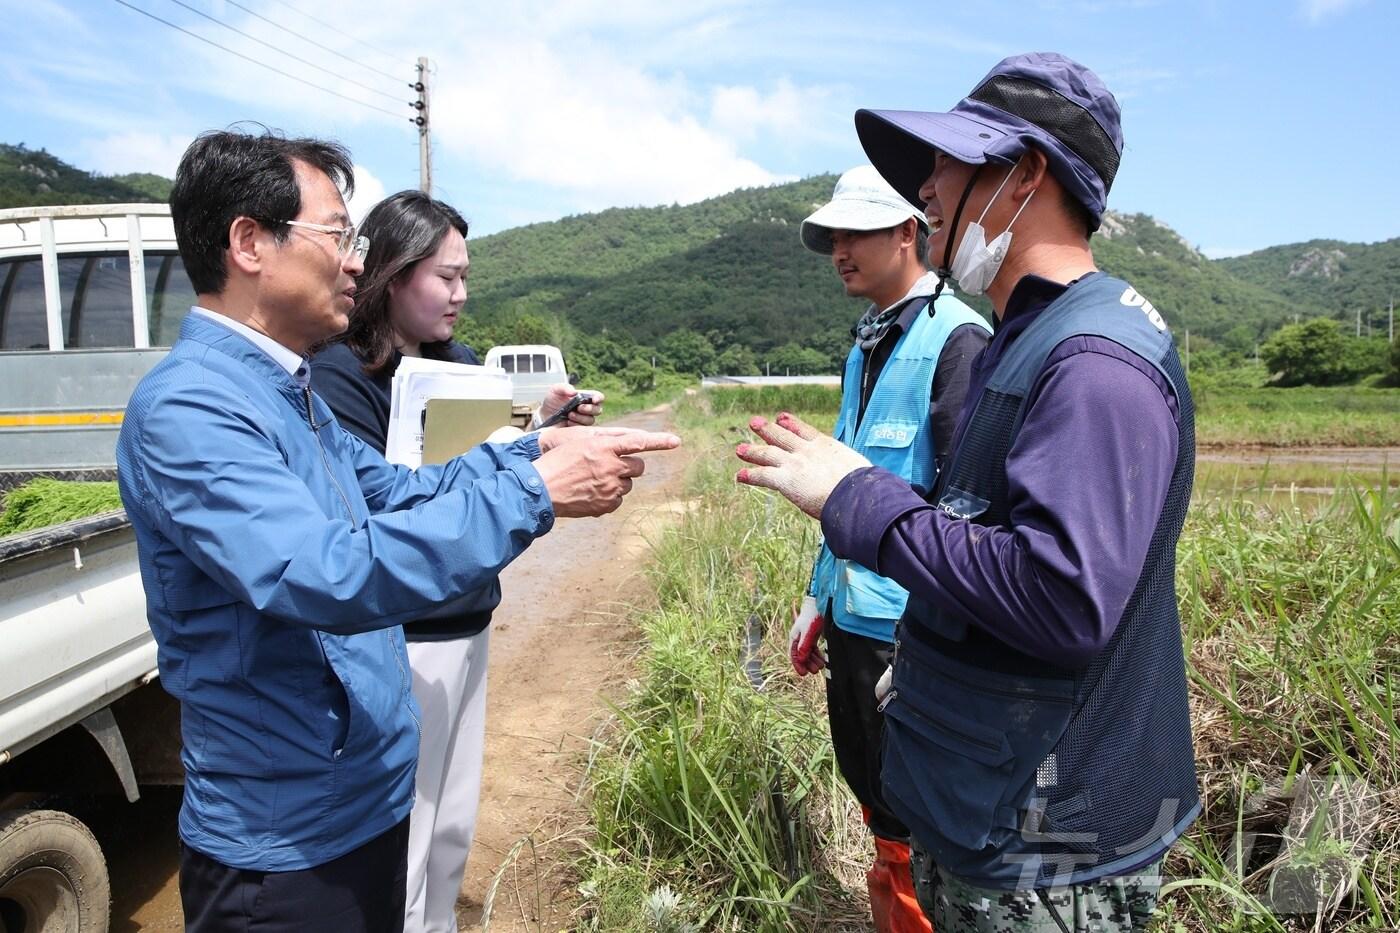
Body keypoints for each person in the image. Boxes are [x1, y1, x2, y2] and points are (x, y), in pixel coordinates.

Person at [116, 129, 678, 933]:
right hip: (288, 840)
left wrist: (535, 451)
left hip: (356, 805)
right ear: (249, 243)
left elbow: (396, 489)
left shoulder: (287, 391)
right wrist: (534, 492)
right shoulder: (193, 406)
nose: (355, 262)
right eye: (337, 235)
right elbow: (324, 572)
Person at [736, 52, 1197, 931]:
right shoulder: (1028, 337)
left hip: (1048, 849)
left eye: (950, 163)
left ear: (1025, 176)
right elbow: (974, 533)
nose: (927, 188)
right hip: (987, 801)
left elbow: (1062, 596)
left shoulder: (1094, 364)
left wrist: (860, 498)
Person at [309, 190, 603, 933]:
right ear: (392, 273)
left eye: (466, 276)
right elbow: (371, 508)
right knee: (404, 825)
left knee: (450, 824)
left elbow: (487, 467)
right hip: (399, 634)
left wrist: (543, 429)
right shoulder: (342, 377)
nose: (461, 293)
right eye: (446, 276)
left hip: (468, 616)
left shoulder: (461, 365)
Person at [789, 165, 988, 932]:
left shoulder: (957, 341)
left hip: (910, 636)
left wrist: (937, 646)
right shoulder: (865, 346)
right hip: (854, 619)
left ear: (908, 231)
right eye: (833, 237)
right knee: (873, 789)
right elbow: (844, 487)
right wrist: (817, 597)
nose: (840, 250)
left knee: (916, 806)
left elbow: (970, 517)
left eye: (856, 233)